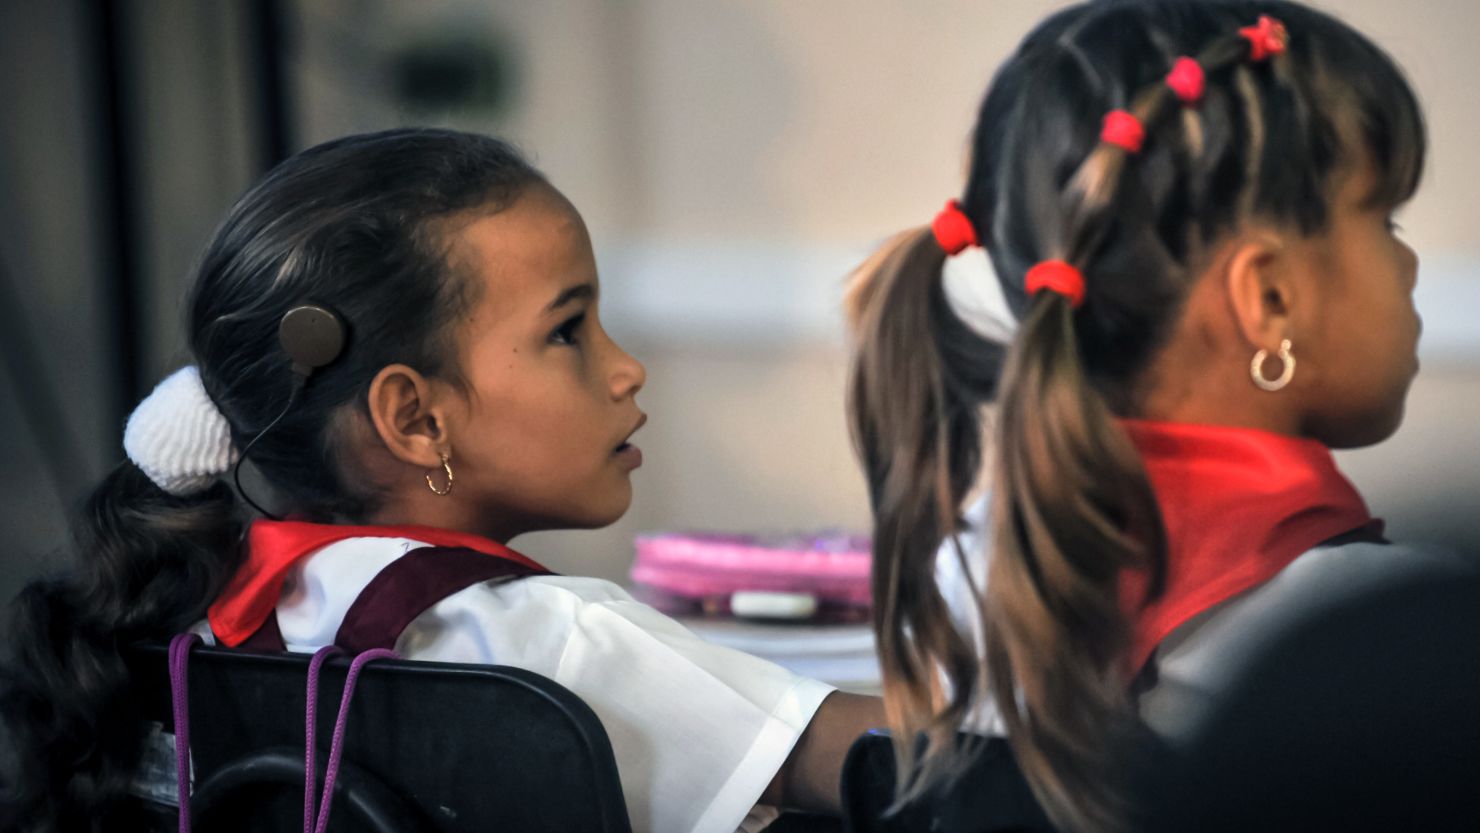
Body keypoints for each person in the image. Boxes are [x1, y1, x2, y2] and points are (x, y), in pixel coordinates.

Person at [1, 128, 880, 833]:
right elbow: (903, 762)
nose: (627, 370)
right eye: (569, 331)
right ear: (417, 420)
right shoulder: (553, 643)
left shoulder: (200, 600)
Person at [844, 1, 1472, 830]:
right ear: (1271, 298)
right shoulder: (1391, 638)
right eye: (1383, 218)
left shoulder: (981, 565)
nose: (1409, 260)